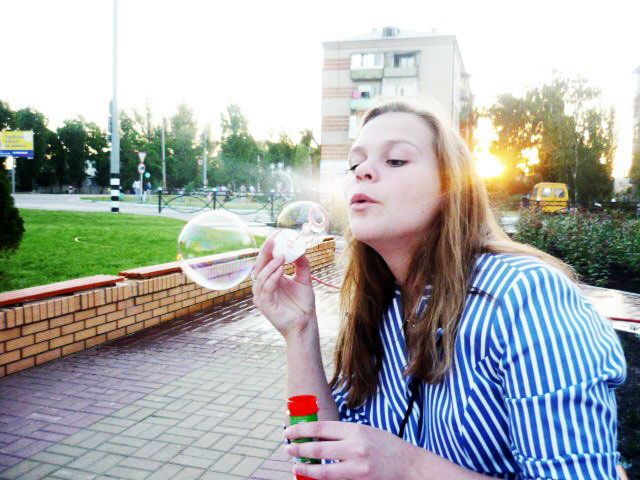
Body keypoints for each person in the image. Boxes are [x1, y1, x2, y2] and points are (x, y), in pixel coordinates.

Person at [251, 98, 627, 479]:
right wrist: (299, 331)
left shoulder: (526, 299)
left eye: (395, 160)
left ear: (450, 187)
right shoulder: (381, 305)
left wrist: (409, 467)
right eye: (354, 164)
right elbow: (323, 457)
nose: (362, 171)